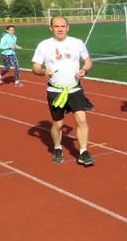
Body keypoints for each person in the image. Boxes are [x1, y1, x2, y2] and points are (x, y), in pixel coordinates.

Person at [31, 16, 95, 166]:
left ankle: (83, 151)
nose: (60, 29)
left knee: (82, 120)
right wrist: (43, 72)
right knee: (58, 124)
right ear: (51, 28)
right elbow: (34, 67)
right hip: (55, 91)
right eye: (56, 26)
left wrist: (84, 70)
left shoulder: (77, 43)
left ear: (68, 27)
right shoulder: (44, 46)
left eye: (63, 26)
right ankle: (58, 147)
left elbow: (88, 61)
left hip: (75, 89)